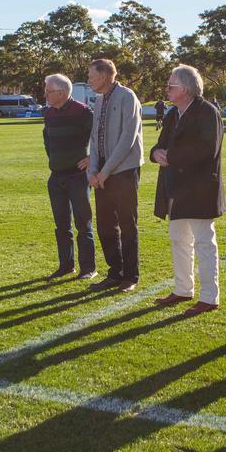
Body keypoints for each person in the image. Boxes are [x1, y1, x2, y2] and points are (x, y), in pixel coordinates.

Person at [150, 65, 226, 316]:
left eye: (171, 85)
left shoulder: (207, 112)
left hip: (199, 187)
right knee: (179, 239)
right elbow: (161, 145)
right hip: (175, 187)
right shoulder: (173, 114)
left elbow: (208, 149)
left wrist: (171, 156)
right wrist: (156, 153)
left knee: (204, 242)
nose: (167, 89)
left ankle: (209, 297)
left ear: (185, 88)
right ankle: (183, 289)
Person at [85, 58, 145, 292]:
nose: (89, 80)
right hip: (102, 175)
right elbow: (94, 138)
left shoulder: (127, 97)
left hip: (123, 172)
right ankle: (114, 272)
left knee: (127, 225)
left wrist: (105, 171)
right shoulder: (99, 101)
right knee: (105, 226)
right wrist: (94, 172)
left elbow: (127, 139)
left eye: (91, 75)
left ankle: (130, 276)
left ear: (105, 75)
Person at [41, 73, 96, 280]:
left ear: (62, 92)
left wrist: (92, 158)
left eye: (48, 91)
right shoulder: (48, 113)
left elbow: (100, 137)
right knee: (61, 225)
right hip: (56, 177)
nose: (45, 94)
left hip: (77, 177)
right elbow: (47, 140)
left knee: (83, 223)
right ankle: (66, 265)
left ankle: (88, 268)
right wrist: (55, 160)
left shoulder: (83, 112)